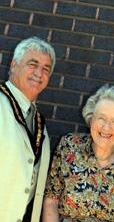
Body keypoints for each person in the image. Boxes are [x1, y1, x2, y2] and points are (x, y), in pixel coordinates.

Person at [43, 84, 114, 222]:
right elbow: (51, 199)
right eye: (101, 118)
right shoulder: (69, 146)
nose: (106, 127)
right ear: (91, 119)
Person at [0, 36, 56, 221]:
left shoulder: (39, 124)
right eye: (33, 64)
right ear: (14, 65)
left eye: (46, 69)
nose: (39, 73)